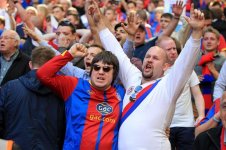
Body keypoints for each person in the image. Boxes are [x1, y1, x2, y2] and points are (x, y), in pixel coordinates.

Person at [87, 0, 204, 149]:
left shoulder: (168, 85)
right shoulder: (133, 78)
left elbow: (186, 63)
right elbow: (116, 51)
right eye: (147, 57)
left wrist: (196, 34)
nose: (149, 60)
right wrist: (99, 22)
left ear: (165, 66)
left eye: (155, 58)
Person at [37, 44, 125, 149]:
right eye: (96, 67)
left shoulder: (122, 93)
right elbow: (42, 74)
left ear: (114, 73)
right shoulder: (74, 85)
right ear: (91, 70)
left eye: (106, 69)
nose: (100, 72)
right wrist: (69, 54)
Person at [0, 46, 65, 150]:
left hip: (15, 146)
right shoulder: (61, 91)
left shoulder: (10, 88)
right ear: (53, 66)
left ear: (30, 64)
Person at [156, 36, 205, 150]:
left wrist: (201, 114)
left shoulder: (186, 69)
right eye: (169, 49)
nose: (173, 52)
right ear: (160, 51)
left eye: (174, 48)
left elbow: (197, 94)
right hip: (164, 126)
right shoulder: (156, 72)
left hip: (186, 124)